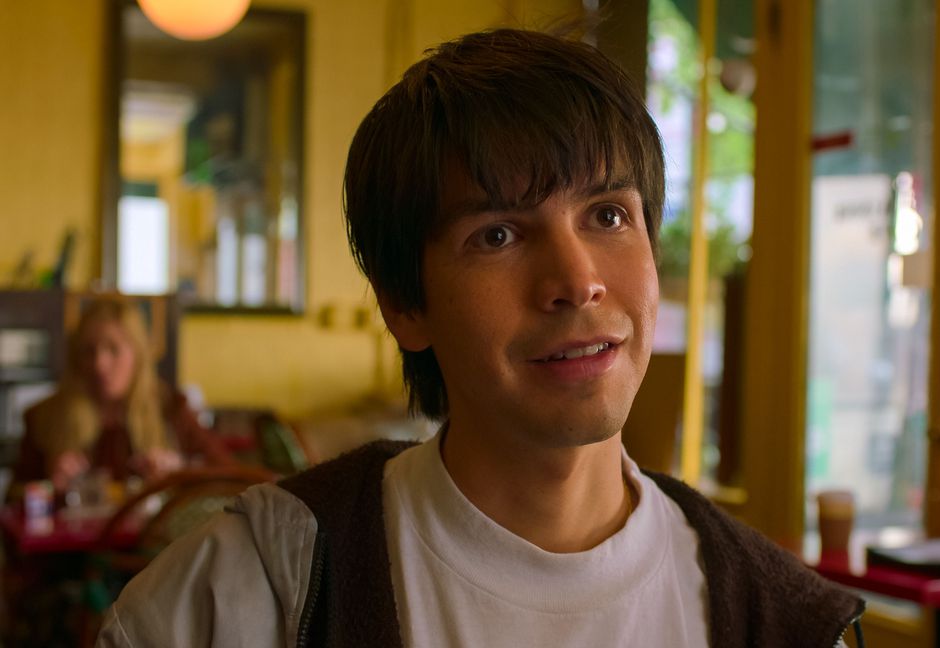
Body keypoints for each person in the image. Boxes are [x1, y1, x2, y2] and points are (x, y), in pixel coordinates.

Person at [97, 28, 864, 647]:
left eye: (608, 215)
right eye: (497, 233)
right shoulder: (256, 596)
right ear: (405, 306)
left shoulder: (776, 616)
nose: (576, 280)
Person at [14, 297, 231, 493]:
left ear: (138, 355)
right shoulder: (44, 417)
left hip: (154, 537)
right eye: (89, 351)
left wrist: (180, 470)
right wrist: (48, 484)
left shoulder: (171, 407)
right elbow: (11, 501)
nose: (99, 364)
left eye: (113, 349)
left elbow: (229, 476)